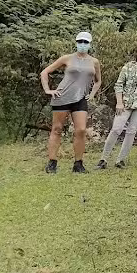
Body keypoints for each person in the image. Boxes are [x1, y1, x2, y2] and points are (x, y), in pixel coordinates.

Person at [40, 31, 102, 174]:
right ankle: (52, 162)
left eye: (85, 42)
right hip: (62, 96)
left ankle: (78, 164)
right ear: (76, 42)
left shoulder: (94, 61)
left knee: (80, 130)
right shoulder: (67, 58)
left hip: (80, 98)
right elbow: (45, 72)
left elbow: (98, 81)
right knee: (57, 129)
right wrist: (48, 90)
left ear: (90, 44)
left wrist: (92, 94)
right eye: (80, 41)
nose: (82, 44)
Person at [96, 45, 137, 169]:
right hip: (126, 103)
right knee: (116, 129)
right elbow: (119, 85)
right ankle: (103, 159)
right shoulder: (128, 67)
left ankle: (121, 160)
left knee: (131, 132)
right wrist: (119, 102)